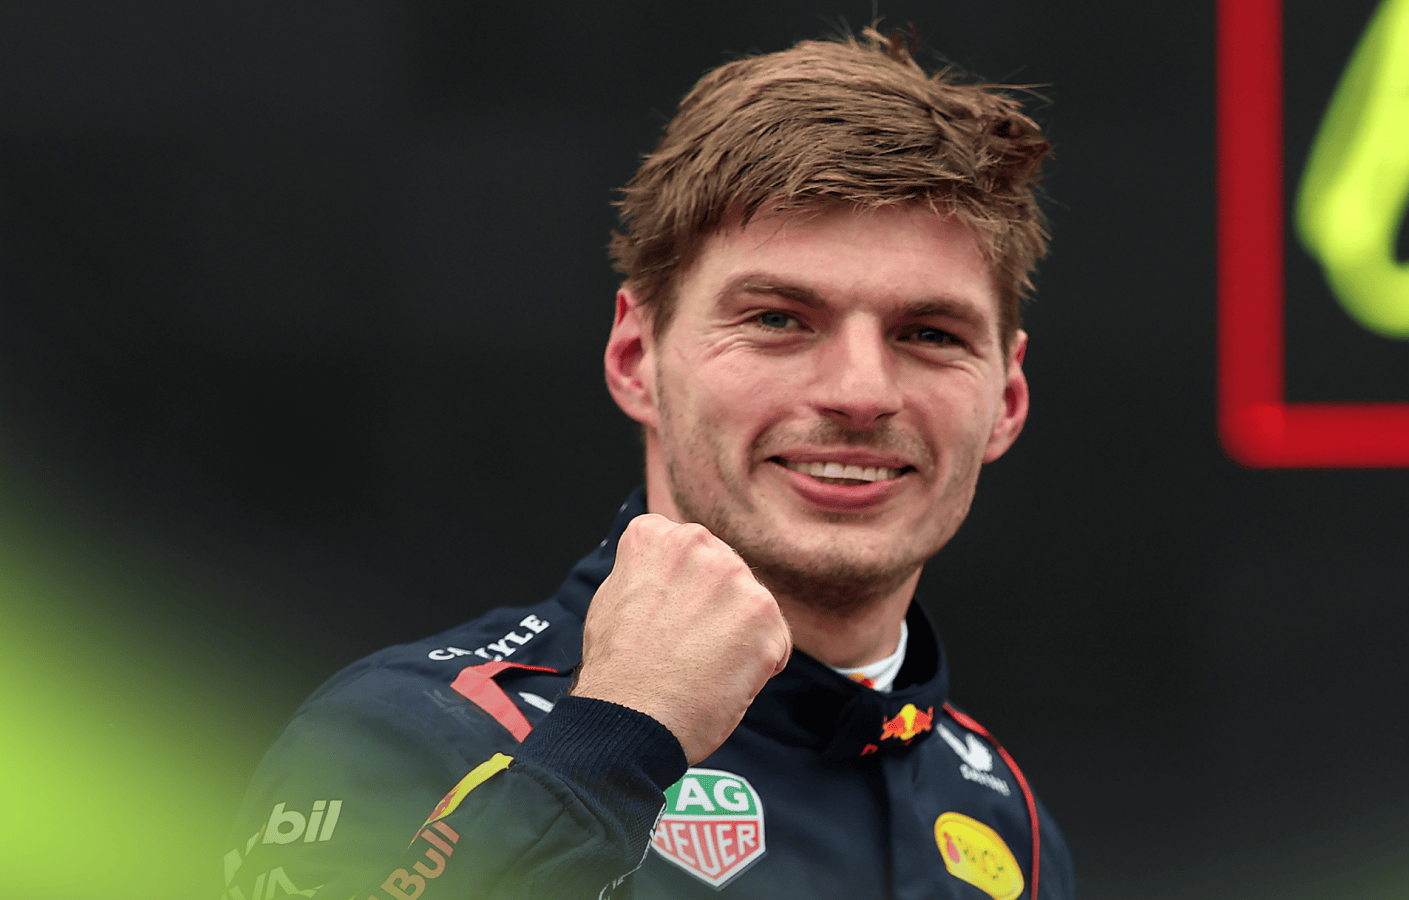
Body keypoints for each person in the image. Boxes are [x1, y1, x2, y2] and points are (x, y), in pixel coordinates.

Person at [223, 26, 1072, 900]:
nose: (862, 392)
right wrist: (611, 746)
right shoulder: (407, 733)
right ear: (636, 358)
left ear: (1005, 400)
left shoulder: (1008, 819)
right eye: (779, 318)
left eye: (930, 334)